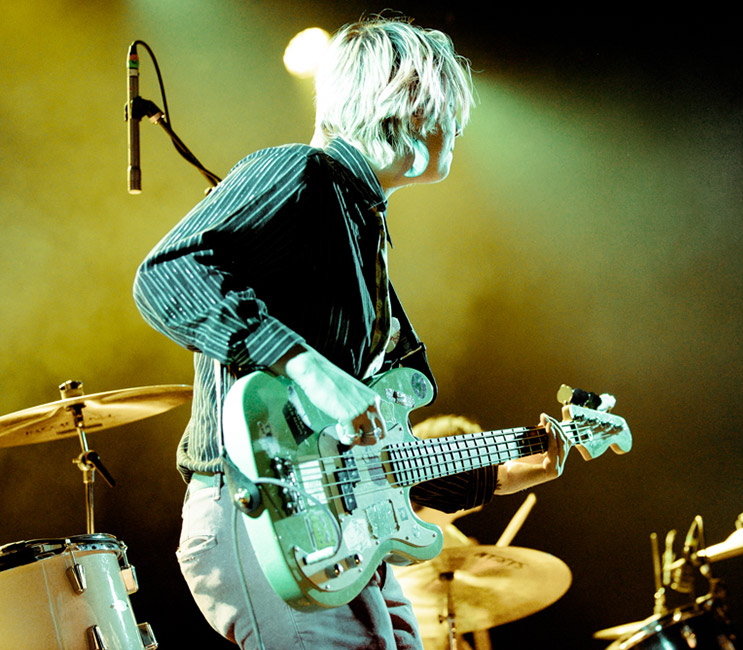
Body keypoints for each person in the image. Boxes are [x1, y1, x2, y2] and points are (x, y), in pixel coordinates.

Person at [133, 16, 570, 650]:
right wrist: (307, 367)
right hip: (264, 512)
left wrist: (501, 473)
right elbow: (165, 274)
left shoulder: (361, 225)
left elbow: (370, 455)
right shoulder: (299, 174)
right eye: (447, 104)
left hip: (337, 525)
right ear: (405, 103)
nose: (458, 124)